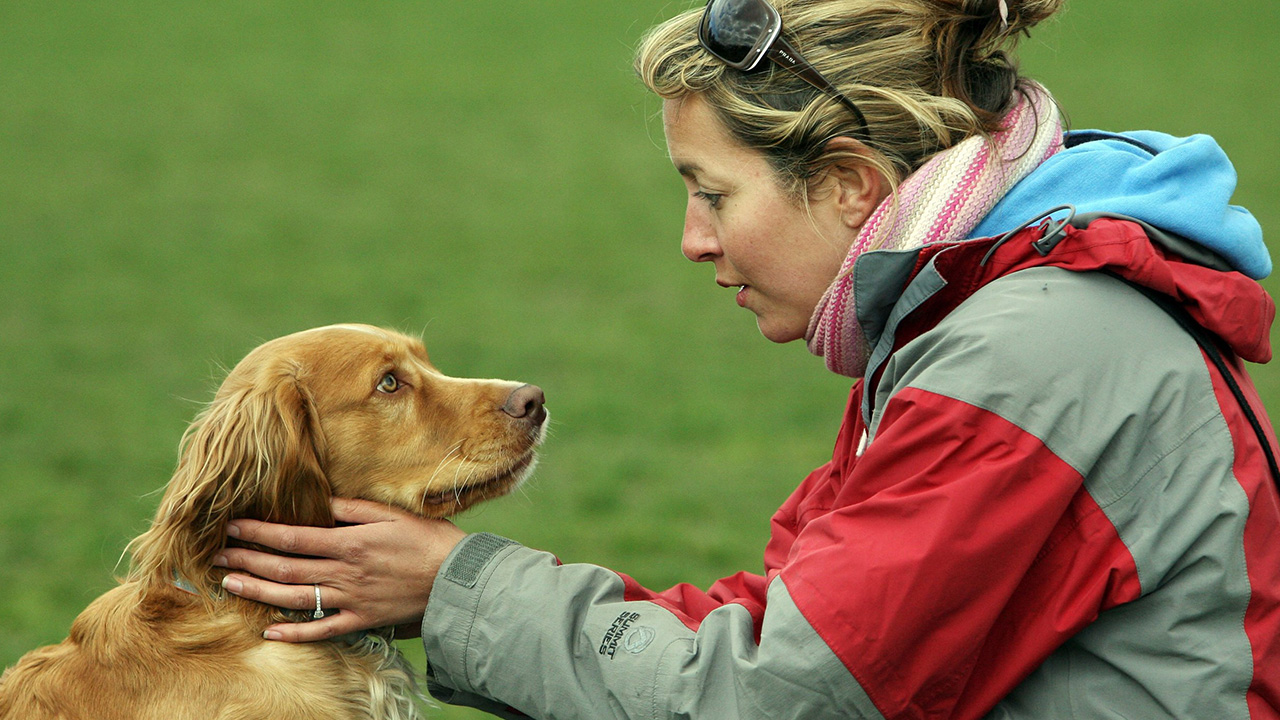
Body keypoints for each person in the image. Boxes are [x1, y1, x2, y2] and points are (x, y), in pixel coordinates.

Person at [213, 0, 1280, 716]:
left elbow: (780, 692)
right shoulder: (985, 320)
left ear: (851, 186)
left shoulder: (1027, 357)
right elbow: (782, 623)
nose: (692, 239)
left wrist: (457, 591)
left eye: (712, 192)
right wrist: (448, 591)